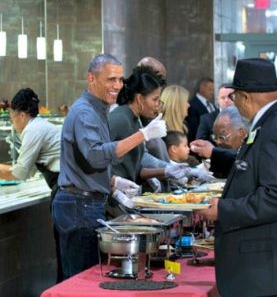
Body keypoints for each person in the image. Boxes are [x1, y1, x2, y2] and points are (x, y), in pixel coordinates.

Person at [196, 58, 277, 297]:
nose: (233, 101)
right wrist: (216, 154)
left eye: (234, 96)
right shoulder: (275, 122)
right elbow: (257, 165)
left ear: (246, 97)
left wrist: (224, 209)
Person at [52, 54, 167, 280]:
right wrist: (142, 135)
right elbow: (95, 156)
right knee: (82, 281)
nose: (117, 86)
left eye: (120, 80)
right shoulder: (85, 112)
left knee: (86, 277)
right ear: (91, 78)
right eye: (110, 79)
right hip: (79, 205)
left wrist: (112, 183)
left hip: (87, 202)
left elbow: (86, 162)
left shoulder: (99, 109)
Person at [0, 88, 64, 283]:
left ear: (21, 114)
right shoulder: (40, 125)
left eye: (12, 117)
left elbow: (20, 172)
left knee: (64, 254)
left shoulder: (33, 129)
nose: (12, 122)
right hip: (63, 188)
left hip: (65, 190)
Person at [108, 68, 190, 204]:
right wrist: (114, 181)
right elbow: (94, 158)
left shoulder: (135, 119)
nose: (158, 105)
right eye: (155, 99)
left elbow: (137, 168)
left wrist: (166, 171)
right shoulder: (120, 118)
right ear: (140, 98)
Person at [190, 106, 248, 178]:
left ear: (242, 133)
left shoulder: (255, 151)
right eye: (215, 137)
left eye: (222, 137)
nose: (218, 142)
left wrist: (213, 152)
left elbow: (244, 166)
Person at [185, 77, 215, 142]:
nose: (212, 92)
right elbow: (195, 128)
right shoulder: (192, 105)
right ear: (202, 88)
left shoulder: (212, 105)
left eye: (213, 90)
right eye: (210, 89)